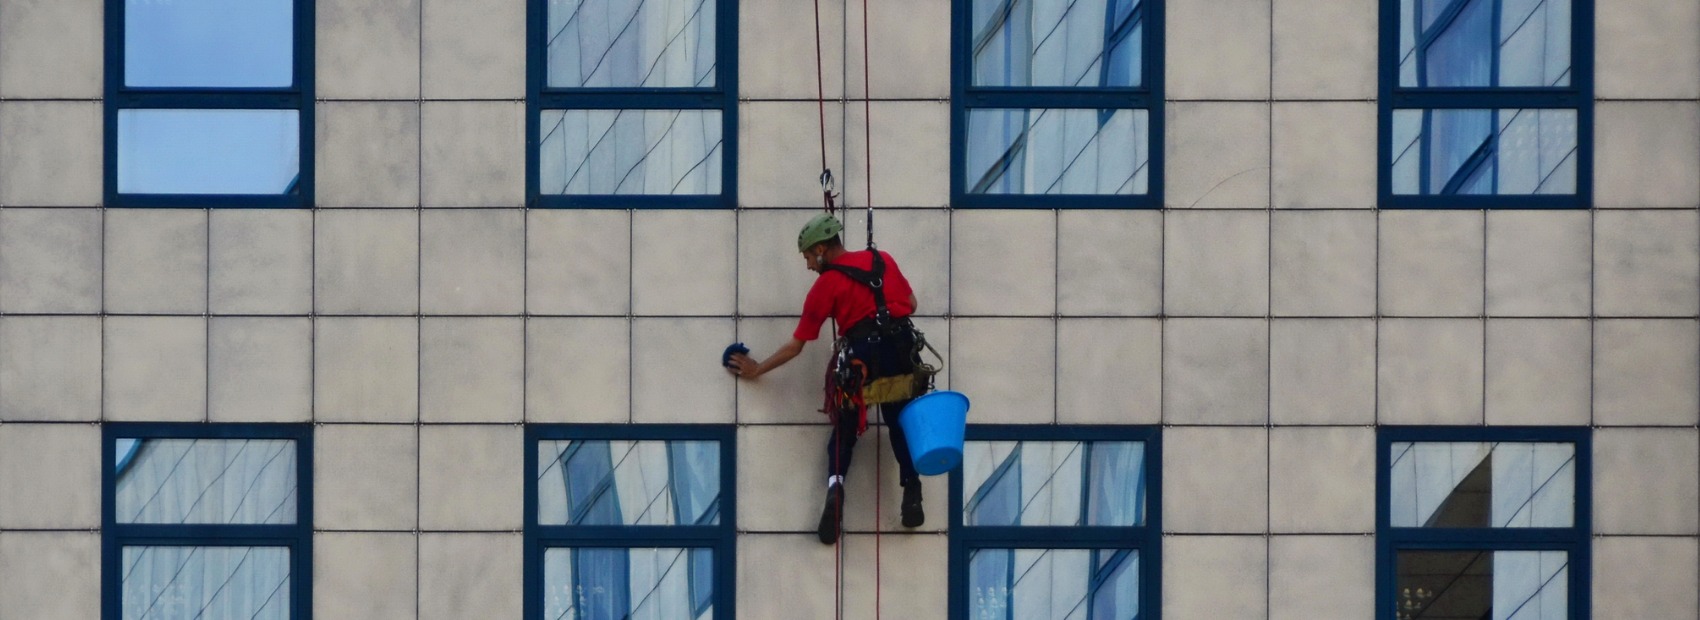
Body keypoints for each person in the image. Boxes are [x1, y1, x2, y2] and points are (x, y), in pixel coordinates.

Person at [727, 213, 924, 544]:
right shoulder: (882, 259)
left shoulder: (826, 285)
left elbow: (796, 346)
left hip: (861, 365)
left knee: (844, 430)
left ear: (820, 249)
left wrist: (757, 369)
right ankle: (912, 487)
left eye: (807, 257)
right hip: (901, 357)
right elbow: (912, 304)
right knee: (900, 421)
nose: (808, 266)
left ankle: (836, 488)